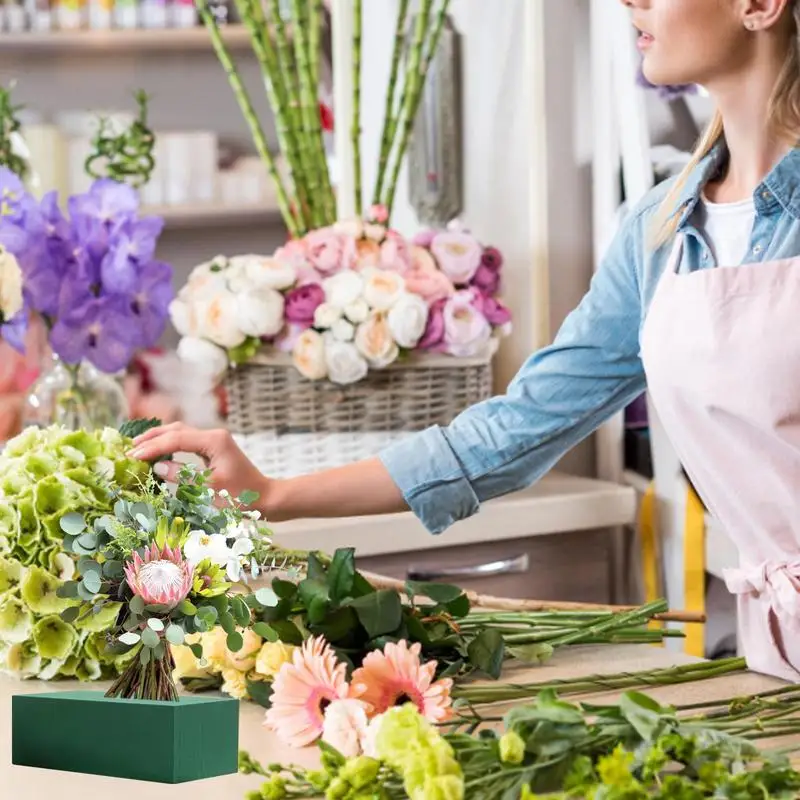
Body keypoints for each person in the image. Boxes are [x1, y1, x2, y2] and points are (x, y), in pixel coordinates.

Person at [131, 0, 800, 681]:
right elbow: (515, 430)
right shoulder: (658, 229)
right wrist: (271, 495)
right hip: (777, 652)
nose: (632, 1)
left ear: (759, 6)